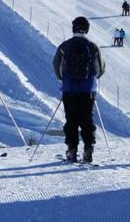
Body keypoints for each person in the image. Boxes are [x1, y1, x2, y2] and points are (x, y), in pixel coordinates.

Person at [53, 16, 105, 163]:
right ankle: (88, 148)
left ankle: (72, 149)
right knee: (87, 119)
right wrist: (92, 78)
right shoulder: (92, 47)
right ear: (87, 29)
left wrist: (63, 78)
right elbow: (100, 68)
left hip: (69, 89)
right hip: (87, 90)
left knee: (71, 119)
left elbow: (56, 65)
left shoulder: (65, 46)